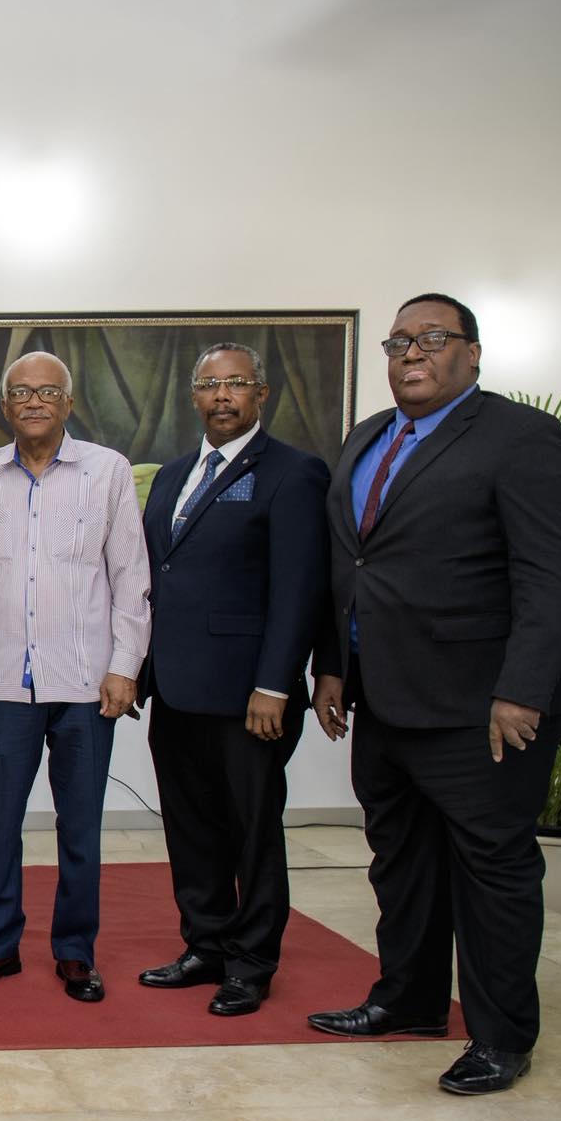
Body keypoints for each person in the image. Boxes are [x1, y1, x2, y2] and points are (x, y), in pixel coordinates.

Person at [308, 293, 561, 1095]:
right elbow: (349, 568)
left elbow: (549, 571)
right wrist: (333, 667)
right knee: (403, 862)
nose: (411, 353)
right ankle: (410, 1000)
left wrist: (521, 690)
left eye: (431, 338)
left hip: (481, 706)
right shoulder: (368, 437)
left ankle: (501, 1036)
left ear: (473, 352)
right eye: (399, 341)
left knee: (492, 871)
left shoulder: (517, 436)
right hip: (384, 700)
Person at [0, 350, 150, 1004]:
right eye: (21, 392)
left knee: (80, 827)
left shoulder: (106, 473)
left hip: (88, 686)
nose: (33, 402)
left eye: (47, 392)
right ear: (5, 407)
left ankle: (75, 952)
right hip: (1, 683)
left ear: (68, 403)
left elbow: (130, 580)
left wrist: (124, 667)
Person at [137, 343, 329, 1016]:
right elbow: (159, 577)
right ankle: (206, 944)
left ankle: (252, 963)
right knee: (190, 827)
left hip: (250, 695)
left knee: (251, 831)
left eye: (236, 384)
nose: (222, 396)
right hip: (177, 687)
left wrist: (276, 684)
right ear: (193, 396)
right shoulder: (172, 476)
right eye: (210, 385)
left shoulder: (293, 473)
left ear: (261, 394)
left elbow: (300, 587)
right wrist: (140, 670)